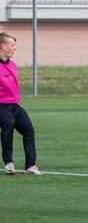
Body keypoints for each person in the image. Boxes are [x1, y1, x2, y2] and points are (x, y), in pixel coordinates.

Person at [0, 32, 41, 175]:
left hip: (14, 106)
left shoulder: (13, 65)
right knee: (8, 123)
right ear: (3, 46)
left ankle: (30, 166)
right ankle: (8, 162)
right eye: (12, 45)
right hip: (0, 106)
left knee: (28, 129)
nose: (14, 48)